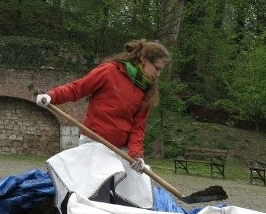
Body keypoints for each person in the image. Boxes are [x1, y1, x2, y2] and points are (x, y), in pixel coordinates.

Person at [36, 39, 170, 174]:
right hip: (93, 144)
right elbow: (76, 89)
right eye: (157, 68)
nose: (158, 74)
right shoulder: (109, 71)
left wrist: (136, 155)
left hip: (120, 151)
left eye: (160, 71)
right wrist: (51, 96)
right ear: (143, 59)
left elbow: (138, 127)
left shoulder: (146, 91)